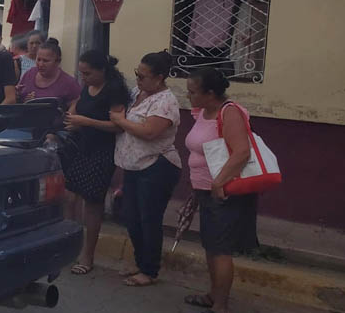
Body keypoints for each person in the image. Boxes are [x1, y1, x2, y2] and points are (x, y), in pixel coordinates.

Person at [182, 68, 258, 313]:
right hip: (205, 189)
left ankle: (221, 305)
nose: (188, 96)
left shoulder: (230, 112)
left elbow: (242, 152)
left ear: (210, 93)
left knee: (221, 249)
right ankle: (213, 295)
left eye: (192, 92)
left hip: (223, 191)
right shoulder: (204, 111)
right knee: (211, 246)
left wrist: (218, 183)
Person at [109, 51, 182, 287]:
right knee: (132, 216)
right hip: (134, 165)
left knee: (149, 218)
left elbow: (150, 132)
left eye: (143, 76)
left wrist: (120, 121)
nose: (138, 80)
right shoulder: (137, 93)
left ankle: (149, 270)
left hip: (156, 165)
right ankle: (140, 262)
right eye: (137, 74)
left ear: (159, 78)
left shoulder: (166, 101)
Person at [62, 50, 130, 276]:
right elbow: (78, 106)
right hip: (81, 147)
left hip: (103, 151)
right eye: (81, 73)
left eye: (88, 73)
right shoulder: (87, 87)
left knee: (92, 202)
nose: (84, 78)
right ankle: (70, 245)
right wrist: (73, 119)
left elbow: (117, 125)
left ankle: (87, 255)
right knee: (70, 197)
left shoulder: (114, 90)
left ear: (102, 71)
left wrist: (87, 122)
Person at [17, 38, 79, 111]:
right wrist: (19, 96)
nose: (40, 64)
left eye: (45, 61)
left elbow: (76, 105)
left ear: (58, 61)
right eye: (38, 59)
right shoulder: (30, 73)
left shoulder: (69, 83)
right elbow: (18, 98)